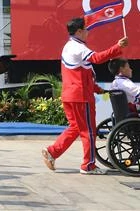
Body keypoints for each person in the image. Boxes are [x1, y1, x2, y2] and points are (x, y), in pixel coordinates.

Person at [42, 17, 128, 175]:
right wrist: (118, 46)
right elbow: (97, 58)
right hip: (81, 97)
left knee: (76, 128)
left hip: (70, 95)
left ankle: (52, 152)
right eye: (86, 29)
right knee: (88, 131)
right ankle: (88, 166)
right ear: (79, 31)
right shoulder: (78, 47)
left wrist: (96, 89)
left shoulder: (69, 46)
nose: (88, 32)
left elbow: (82, 74)